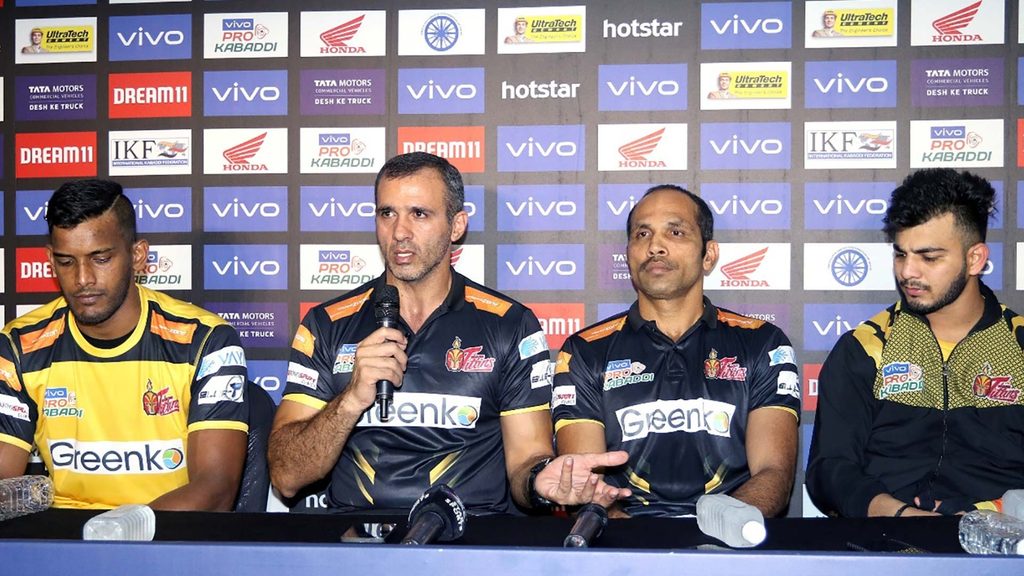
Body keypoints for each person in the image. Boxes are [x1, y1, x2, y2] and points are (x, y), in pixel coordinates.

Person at [268, 152, 628, 514]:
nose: (399, 233)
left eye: (419, 214)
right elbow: (286, 476)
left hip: (469, 547)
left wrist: (540, 480)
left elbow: (526, 459)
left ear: (457, 226)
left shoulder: (509, 324)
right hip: (358, 547)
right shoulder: (327, 324)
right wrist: (349, 401)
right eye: (387, 213)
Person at [0, 180, 250, 510]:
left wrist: (114, 533)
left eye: (100, 259)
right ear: (50, 259)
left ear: (137, 255)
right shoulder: (20, 345)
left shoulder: (205, 341)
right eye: (66, 261)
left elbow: (216, 489)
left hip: (168, 542)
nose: (83, 279)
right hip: (63, 546)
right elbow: (4, 478)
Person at [552, 185, 800, 517]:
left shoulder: (763, 344)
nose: (655, 246)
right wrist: (640, 553)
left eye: (676, 231)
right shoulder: (584, 351)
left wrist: (708, 541)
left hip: (730, 544)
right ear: (628, 254)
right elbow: (587, 487)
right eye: (642, 234)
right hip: (625, 551)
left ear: (708, 255)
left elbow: (774, 475)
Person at [807, 169, 1024, 517]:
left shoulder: (1018, 346)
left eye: (929, 257)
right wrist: (901, 516)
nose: (908, 272)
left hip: (1003, 552)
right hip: (885, 545)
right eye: (900, 254)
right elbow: (829, 471)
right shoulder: (865, 346)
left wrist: (983, 514)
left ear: (975, 259)